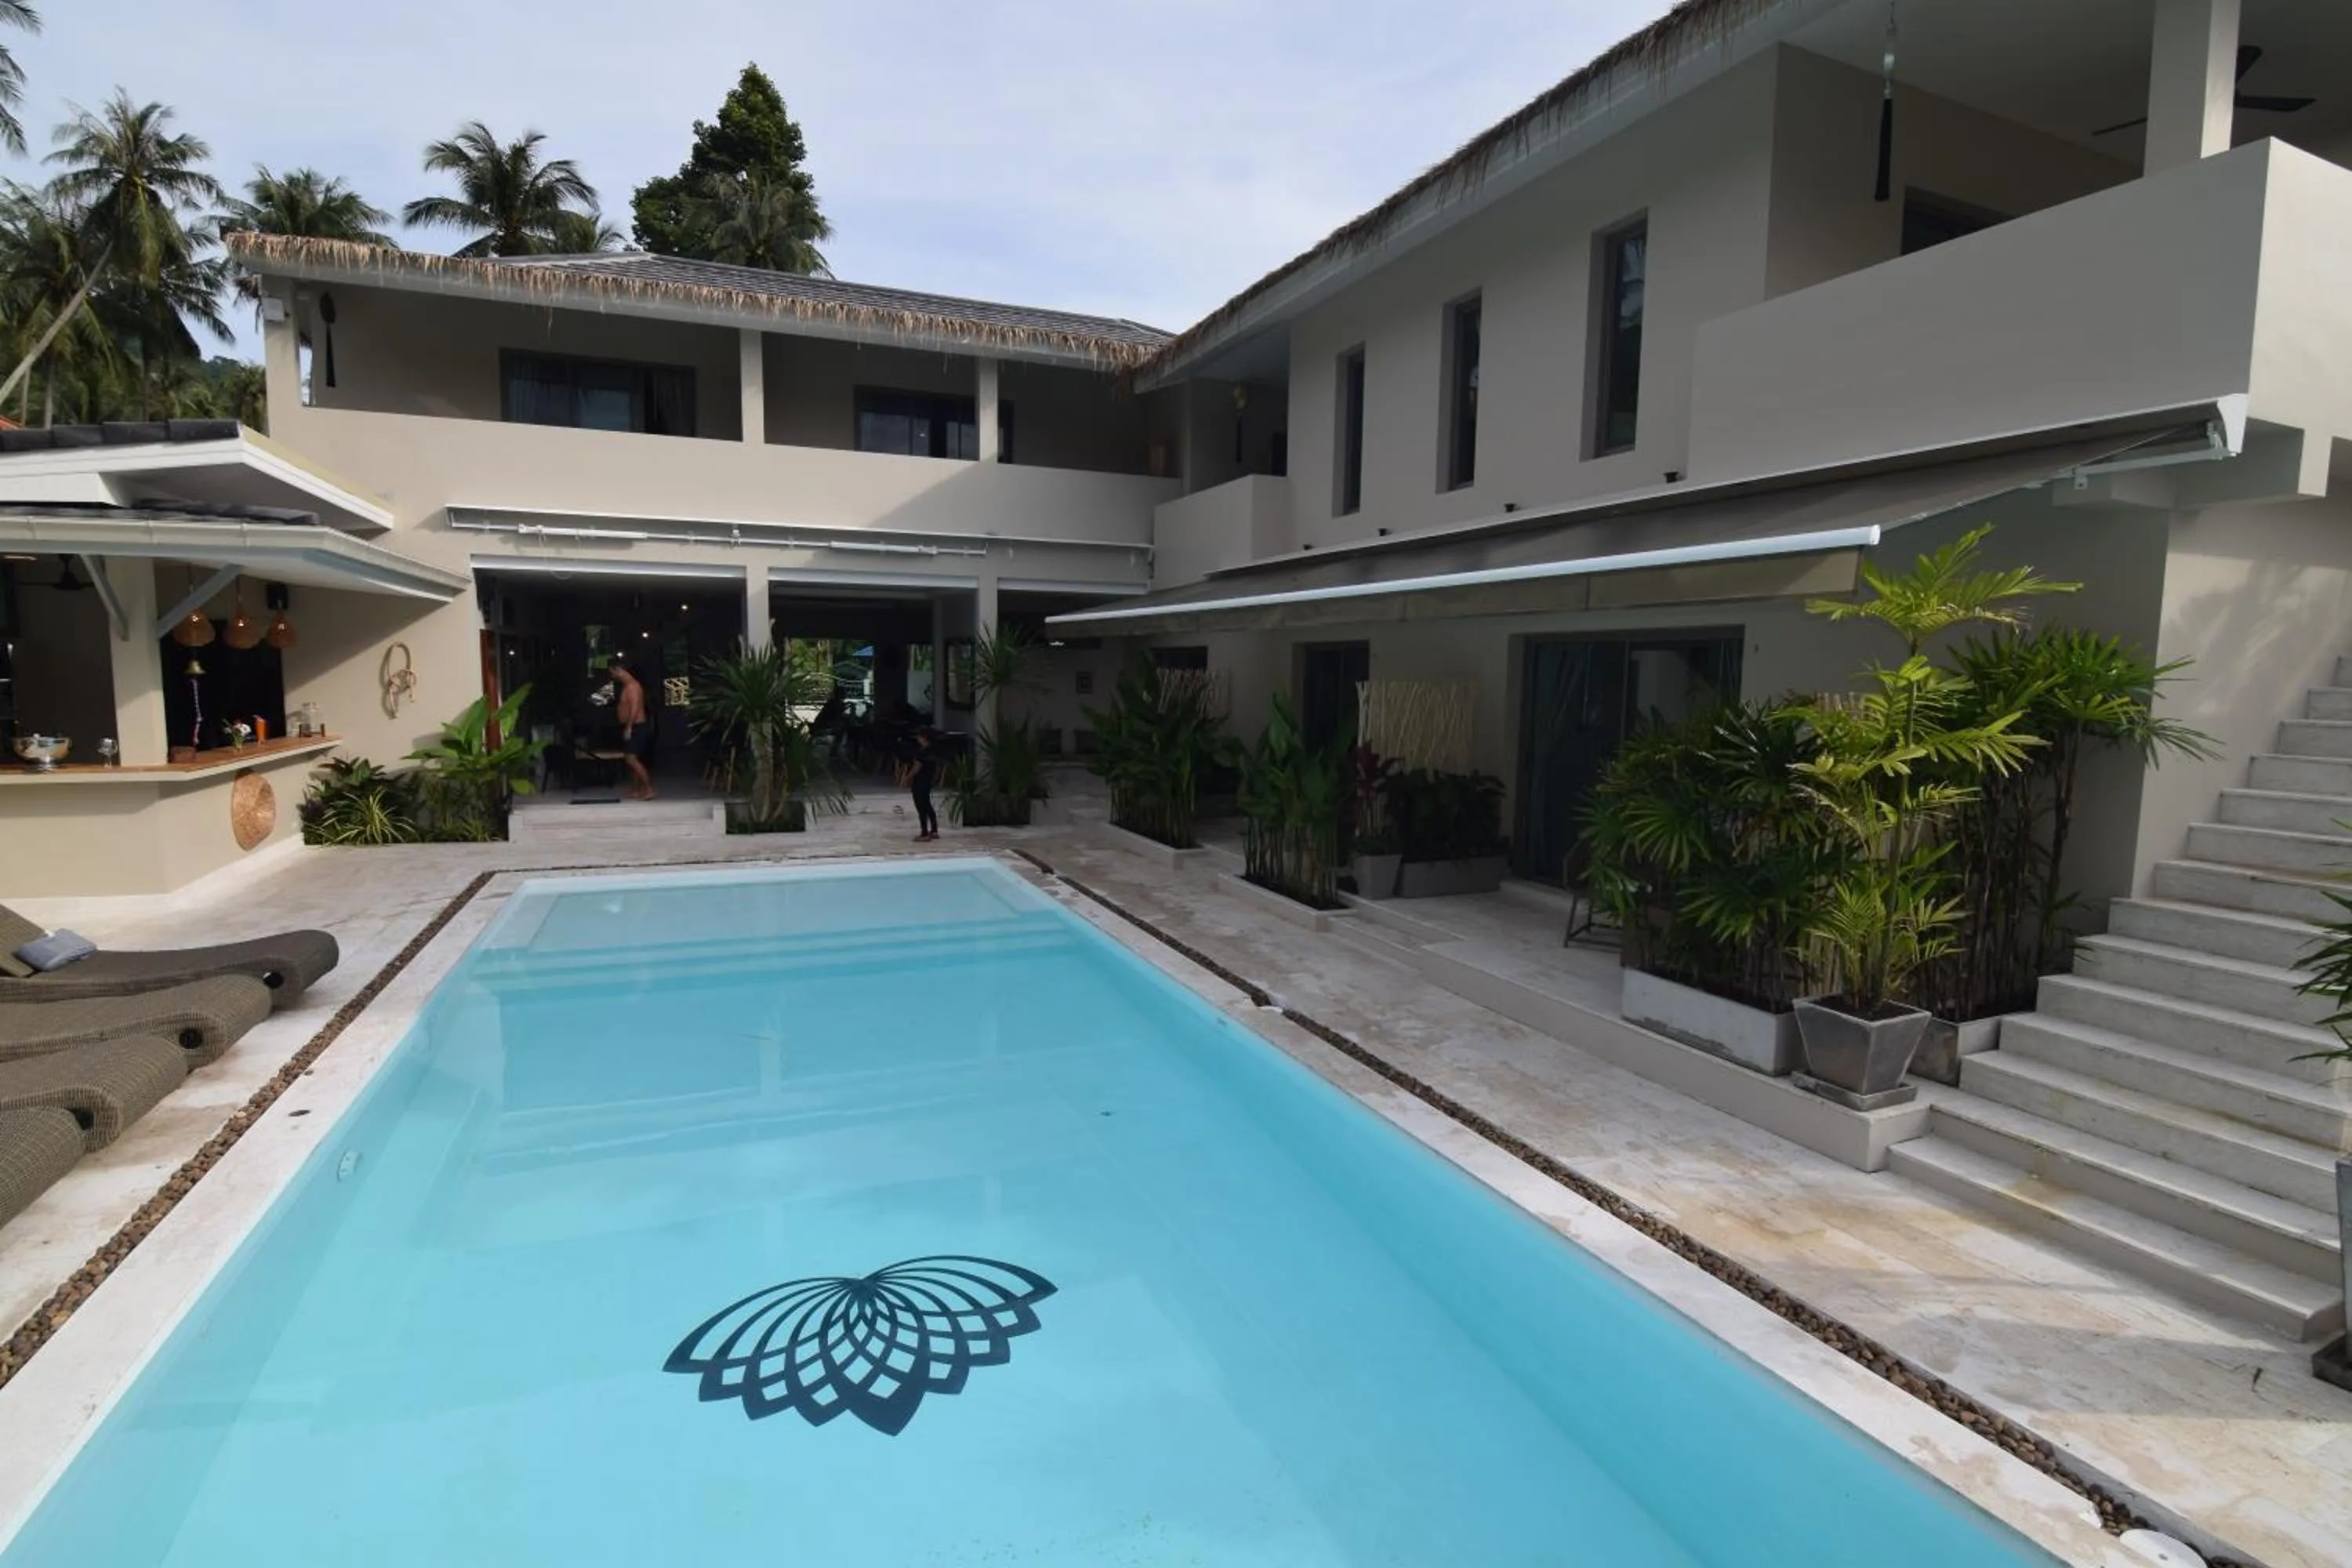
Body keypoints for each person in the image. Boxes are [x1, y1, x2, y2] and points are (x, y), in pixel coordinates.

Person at [609, 655, 655, 801]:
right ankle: (637, 789)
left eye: (612, 672)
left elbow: (635, 709)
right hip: (633, 727)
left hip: (636, 727)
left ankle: (649, 789)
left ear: (618, 670)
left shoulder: (633, 686)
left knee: (630, 759)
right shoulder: (628, 686)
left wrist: (629, 728)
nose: (611, 675)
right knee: (633, 758)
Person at [907, 726, 941, 842]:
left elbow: (917, 767)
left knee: (921, 807)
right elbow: (937, 768)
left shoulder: (922, 752)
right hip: (928, 781)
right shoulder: (934, 751)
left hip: (920, 781)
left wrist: (908, 777)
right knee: (927, 805)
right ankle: (934, 830)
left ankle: (924, 832)